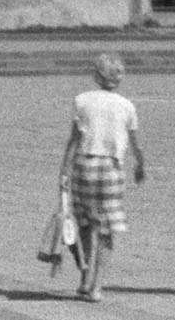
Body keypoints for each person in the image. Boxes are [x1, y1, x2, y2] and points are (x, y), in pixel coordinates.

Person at [58, 53, 146, 302]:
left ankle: (84, 278)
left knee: (85, 224)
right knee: (107, 229)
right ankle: (97, 285)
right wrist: (140, 165)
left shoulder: (82, 100)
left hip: (84, 164)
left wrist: (64, 169)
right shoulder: (126, 105)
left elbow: (74, 138)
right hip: (110, 167)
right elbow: (135, 142)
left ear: (96, 76)